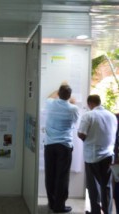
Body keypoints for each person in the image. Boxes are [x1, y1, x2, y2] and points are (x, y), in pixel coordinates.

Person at [78, 95, 117, 214]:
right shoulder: (112, 116)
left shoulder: (89, 115)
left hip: (92, 156)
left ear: (90, 103)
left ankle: (95, 211)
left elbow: (81, 134)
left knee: (93, 186)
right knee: (107, 185)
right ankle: (107, 211)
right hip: (108, 155)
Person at [44, 84, 79, 213]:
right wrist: (70, 100)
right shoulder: (73, 109)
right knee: (62, 176)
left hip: (49, 144)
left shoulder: (50, 103)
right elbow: (75, 122)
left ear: (58, 93)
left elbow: (49, 97)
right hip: (64, 146)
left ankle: (52, 203)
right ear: (69, 96)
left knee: (50, 174)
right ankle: (60, 206)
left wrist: (59, 89)